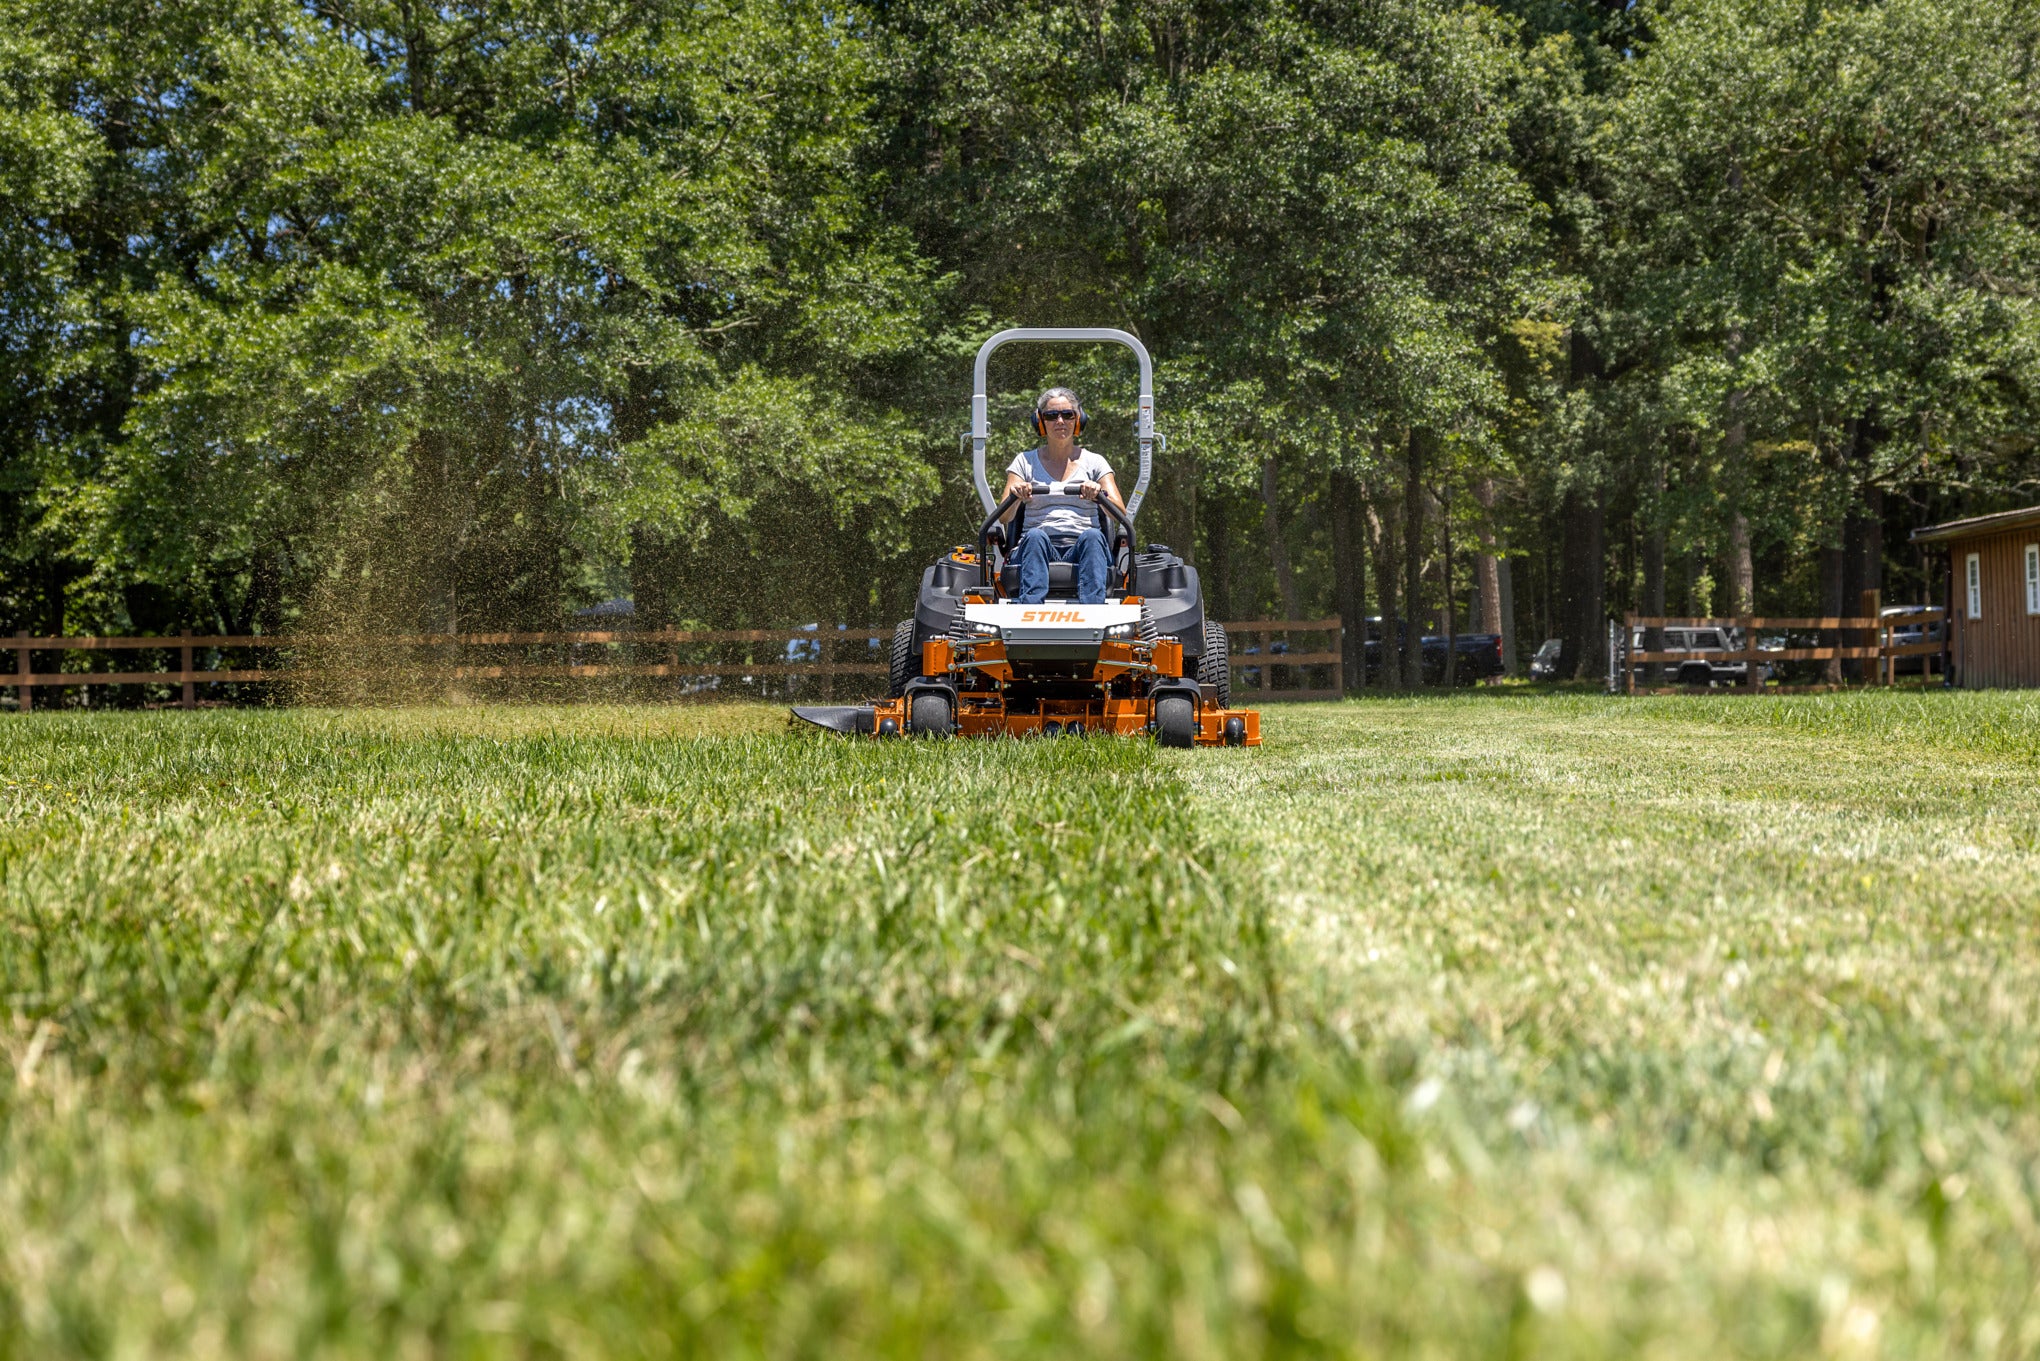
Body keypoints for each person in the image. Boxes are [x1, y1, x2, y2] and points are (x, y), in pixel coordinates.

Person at [1000, 387, 1127, 604]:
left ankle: (1093, 613)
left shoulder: (1095, 462)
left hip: (1083, 546)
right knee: (1035, 536)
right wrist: (1017, 495)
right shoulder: (1024, 461)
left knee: (1093, 536)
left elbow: (1120, 513)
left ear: (1078, 420)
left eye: (1067, 415)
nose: (1060, 421)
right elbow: (1004, 516)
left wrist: (1099, 494)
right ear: (1041, 422)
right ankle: (1030, 610)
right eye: (1052, 416)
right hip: (1037, 546)